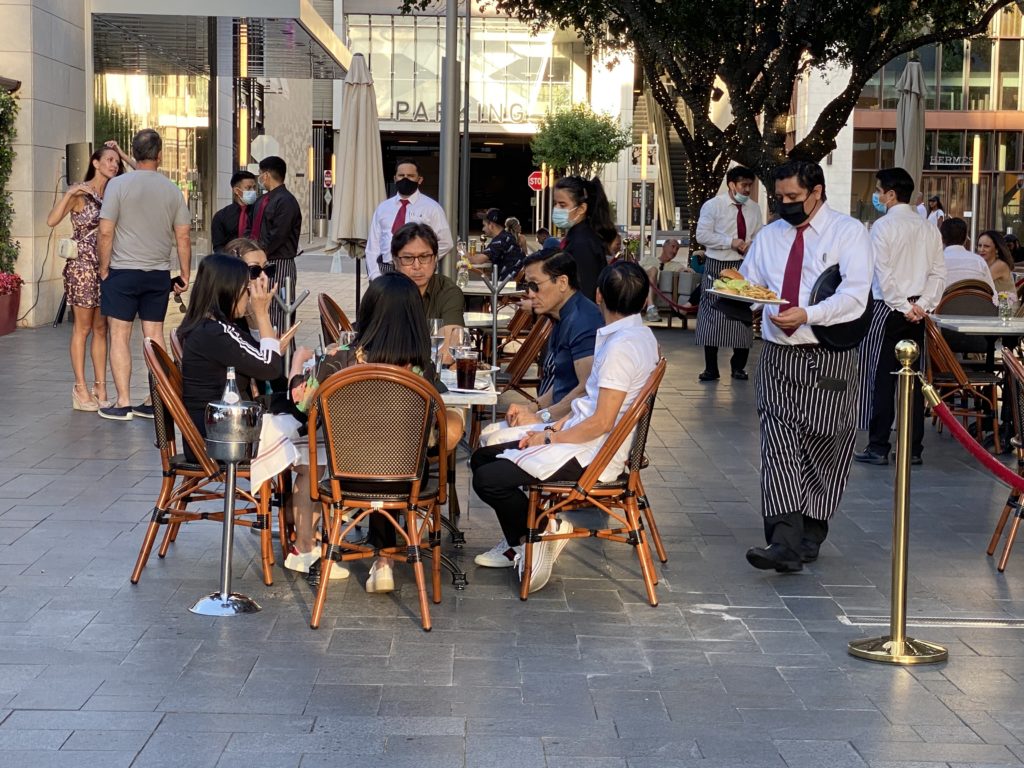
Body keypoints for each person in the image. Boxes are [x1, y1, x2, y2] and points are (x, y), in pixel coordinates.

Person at [470, 261, 659, 591]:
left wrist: (547, 437)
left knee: (488, 478)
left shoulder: (621, 348)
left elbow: (601, 421)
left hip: (591, 453)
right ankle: (525, 537)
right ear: (644, 301)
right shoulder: (639, 336)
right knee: (483, 458)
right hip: (583, 436)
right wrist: (550, 427)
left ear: (598, 295)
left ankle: (536, 536)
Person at [738, 160, 873, 573]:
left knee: (825, 447)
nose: (785, 206)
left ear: (816, 192)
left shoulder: (849, 233)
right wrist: (743, 293)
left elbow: (855, 296)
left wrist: (808, 313)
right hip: (778, 354)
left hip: (829, 354)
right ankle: (783, 540)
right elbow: (751, 284)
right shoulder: (769, 236)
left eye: (793, 198)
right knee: (777, 443)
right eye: (780, 199)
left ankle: (812, 528)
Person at [350, 273, 465, 593]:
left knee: (373, 456)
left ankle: (381, 560)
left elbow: (307, 408)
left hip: (348, 476)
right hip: (407, 479)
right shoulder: (422, 370)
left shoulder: (343, 357)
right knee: (403, 454)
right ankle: (403, 542)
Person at [97, 128, 191, 421]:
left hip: (122, 272)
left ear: (133, 154)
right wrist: (185, 274)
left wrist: (103, 267)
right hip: (158, 274)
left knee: (119, 335)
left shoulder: (118, 186)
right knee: (154, 336)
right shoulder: (172, 189)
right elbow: (184, 237)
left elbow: (105, 230)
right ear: (160, 155)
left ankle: (123, 402)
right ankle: (155, 400)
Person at [854, 167, 945, 468]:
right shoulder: (929, 227)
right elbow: (938, 274)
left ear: (891, 194)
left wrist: (902, 305)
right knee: (915, 381)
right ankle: (912, 448)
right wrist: (923, 306)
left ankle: (879, 445)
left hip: (888, 310)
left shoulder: (882, 227)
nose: (877, 196)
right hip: (919, 311)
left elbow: (882, 273)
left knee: (880, 378)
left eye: (879, 191)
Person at [47, 144, 125, 412]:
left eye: (117, 161)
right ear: (96, 162)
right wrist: (69, 192)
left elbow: (143, 174)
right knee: (83, 328)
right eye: (110, 160)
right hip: (82, 268)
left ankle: (100, 386)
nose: (114, 165)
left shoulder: (116, 192)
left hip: (107, 267)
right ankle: (80, 388)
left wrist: (125, 154)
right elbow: (52, 220)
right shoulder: (81, 192)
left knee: (102, 328)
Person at [498, 248, 602, 428]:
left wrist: (541, 417)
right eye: (528, 286)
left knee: (491, 444)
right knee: (492, 435)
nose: (530, 294)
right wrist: (531, 408)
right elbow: (563, 384)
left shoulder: (583, 321)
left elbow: (587, 389)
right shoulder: (563, 316)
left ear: (562, 282)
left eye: (535, 285)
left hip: (570, 426)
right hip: (559, 419)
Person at [694, 166, 764, 382]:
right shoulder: (713, 206)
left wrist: (752, 244)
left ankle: (738, 366)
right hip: (717, 263)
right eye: (743, 185)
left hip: (743, 266)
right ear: (731, 184)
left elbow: (759, 234)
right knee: (711, 315)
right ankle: (711, 368)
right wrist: (730, 242)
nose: (747, 190)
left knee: (742, 316)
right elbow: (702, 235)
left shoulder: (754, 208)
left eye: (750, 186)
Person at [365, 158, 453, 281]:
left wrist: (423, 260)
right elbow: (373, 246)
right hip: (386, 270)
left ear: (420, 179)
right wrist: (375, 276)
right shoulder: (383, 208)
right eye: (401, 175)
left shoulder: (432, 208)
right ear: (395, 179)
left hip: (417, 272)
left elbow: (446, 242)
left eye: (410, 175)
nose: (405, 179)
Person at [391, 222, 465, 362]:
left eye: (424, 257)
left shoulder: (448, 292)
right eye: (408, 258)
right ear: (395, 261)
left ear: (435, 258)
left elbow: (447, 353)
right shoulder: (385, 291)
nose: (417, 266)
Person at [250, 156, 301, 335]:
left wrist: (259, 254)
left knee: (279, 313)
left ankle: (282, 356)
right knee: (262, 310)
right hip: (260, 262)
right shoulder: (263, 200)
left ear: (266, 175)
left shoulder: (286, 201)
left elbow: (278, 235)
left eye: (260, 174)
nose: (259, 178)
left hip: (279, 263)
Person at [553, 175, 618, 302]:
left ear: (581, 208)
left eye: (562, 205)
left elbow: (585, 293)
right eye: (555, 204)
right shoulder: (577, 236)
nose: (556, 209)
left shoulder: (583, 243)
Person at [940, 218, 995, 296]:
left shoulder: (935, 262)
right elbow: (993, 295)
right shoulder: (979, 261)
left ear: (941, 238)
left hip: (943, 307)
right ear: (966, 238)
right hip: (977, 306)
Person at [468, 208, 525, 280]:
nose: (483, 229)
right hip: (510, 282)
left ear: (491, 225)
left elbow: (478, 260)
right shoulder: (505, 236)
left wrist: (462, 253)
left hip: (508, 286)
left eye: (484, 225)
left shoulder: (500, 240)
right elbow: (487, 257)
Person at [211, 171, 258, 251]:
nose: (253, 191)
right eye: (248, 188)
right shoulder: (221, 216)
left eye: (254, 187)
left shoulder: (258, 212)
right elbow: (218, 246)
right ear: (236, 190)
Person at [640, 238, 682, 322]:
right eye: (673, 247)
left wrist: (687, 270)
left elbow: (688, 271)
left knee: (653, 270)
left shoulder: (676, 265)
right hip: (639, 284)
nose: (674, 251)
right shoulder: (648, 259)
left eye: (677, 249)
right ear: (664, 247)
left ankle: (650, 307)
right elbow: (635, 269)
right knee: (653, 270)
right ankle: (650, 308)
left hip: (654, 288)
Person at [977, 230, 1017, 296]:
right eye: (979, 245)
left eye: (986, 246)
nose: (981, 249)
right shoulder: (984, 264)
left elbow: (978, 283)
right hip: (992, 303)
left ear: (997, 249)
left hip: (1005, 305)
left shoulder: (1000, 265)